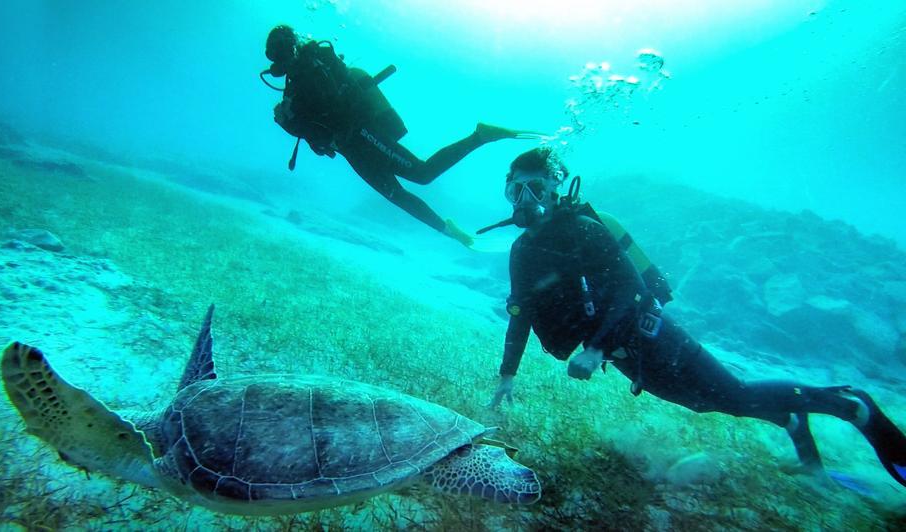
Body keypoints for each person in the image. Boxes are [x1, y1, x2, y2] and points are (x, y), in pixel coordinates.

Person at [487, 146, 906, 489]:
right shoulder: (522, 251)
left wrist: (594, 349)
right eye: (515, 192)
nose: (525, 201)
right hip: (623, 355)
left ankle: (848, 404)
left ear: (555, 188)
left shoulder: (586, 230)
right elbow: (520, 312)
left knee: (737, 393)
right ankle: (790, 419)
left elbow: (631, 290)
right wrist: (508, 376)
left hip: (650, 336)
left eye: (535, 188)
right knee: (704, 403)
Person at [262, 24, 534, 247]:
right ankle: (449, 231)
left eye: (278, 56)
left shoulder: (309, 73)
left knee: (422, 174)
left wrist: (291, 119)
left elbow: (329, 110)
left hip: (363, 135)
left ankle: (480, 136)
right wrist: (291, 119)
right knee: (396, 195)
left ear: (287, 51)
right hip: (351, 148)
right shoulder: (299, 80)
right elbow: (317, 126)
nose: (277, 65)